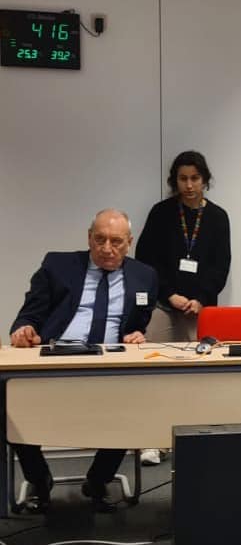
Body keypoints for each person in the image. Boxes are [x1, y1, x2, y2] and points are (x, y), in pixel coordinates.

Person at [8, 209, 157, 513]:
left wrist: (137, 335)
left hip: (111, 366)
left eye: (116, 241)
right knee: (9, 407)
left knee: (134, 406)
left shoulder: (145, 276)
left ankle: (98, 480)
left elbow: (138, 324)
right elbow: (30, 313)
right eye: (99, 239)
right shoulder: (58, 265)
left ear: (129, 242)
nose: (107, 248)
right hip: (56, 360)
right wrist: (24, 328)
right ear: (89, 238)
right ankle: (39, 479)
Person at [135, 150, 231, 466]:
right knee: (155, 372)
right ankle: (153, 441)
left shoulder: (218, 217)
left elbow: (221, 266)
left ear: (205, 180)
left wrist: (200, 298)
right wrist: (170, 294)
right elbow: (145, 260)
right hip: (164, 304)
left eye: (195, 178)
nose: (189, 185)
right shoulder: (161, 213)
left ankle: (197, 439)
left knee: (199, 376)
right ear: (174, 181)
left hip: (200, 308)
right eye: (182, 179)